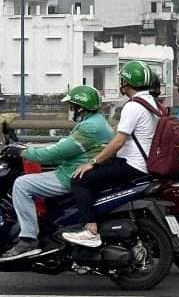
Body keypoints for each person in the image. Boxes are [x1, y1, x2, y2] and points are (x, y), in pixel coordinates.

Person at [2, 86, 112, 261]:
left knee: (22, 184)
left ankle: (28, 239)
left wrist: (22, 152)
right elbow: (65, 146)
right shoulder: (97, 122)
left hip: (70, 175)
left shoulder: (89, 127)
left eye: (71, 106)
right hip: (78, 170)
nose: (69, 110)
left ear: (80, 108)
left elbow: (55, 153)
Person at [63, 60, 159, 248]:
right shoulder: (151, 103)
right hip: (145, 162)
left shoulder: (133, 106)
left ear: (127, 82)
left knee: (80, 179)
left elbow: (118, 142)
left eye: (122, 79)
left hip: (133, 165)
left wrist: (93, 161)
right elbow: (120, 133)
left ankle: (90, 231)